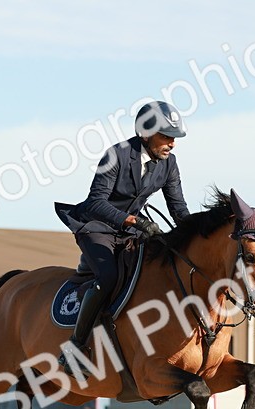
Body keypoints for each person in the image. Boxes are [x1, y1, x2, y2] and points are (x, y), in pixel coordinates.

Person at [54, 100, 191, 374]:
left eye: (174, 138)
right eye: (166, 136)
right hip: (96, 228)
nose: (172, 144)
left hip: (131, 232)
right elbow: (96, 202)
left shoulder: (169, 163)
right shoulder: (116, 155)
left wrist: (196, 234)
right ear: (146, 132)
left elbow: (178, 209)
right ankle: (75, 348)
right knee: (109, 277)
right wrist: (135, 221)